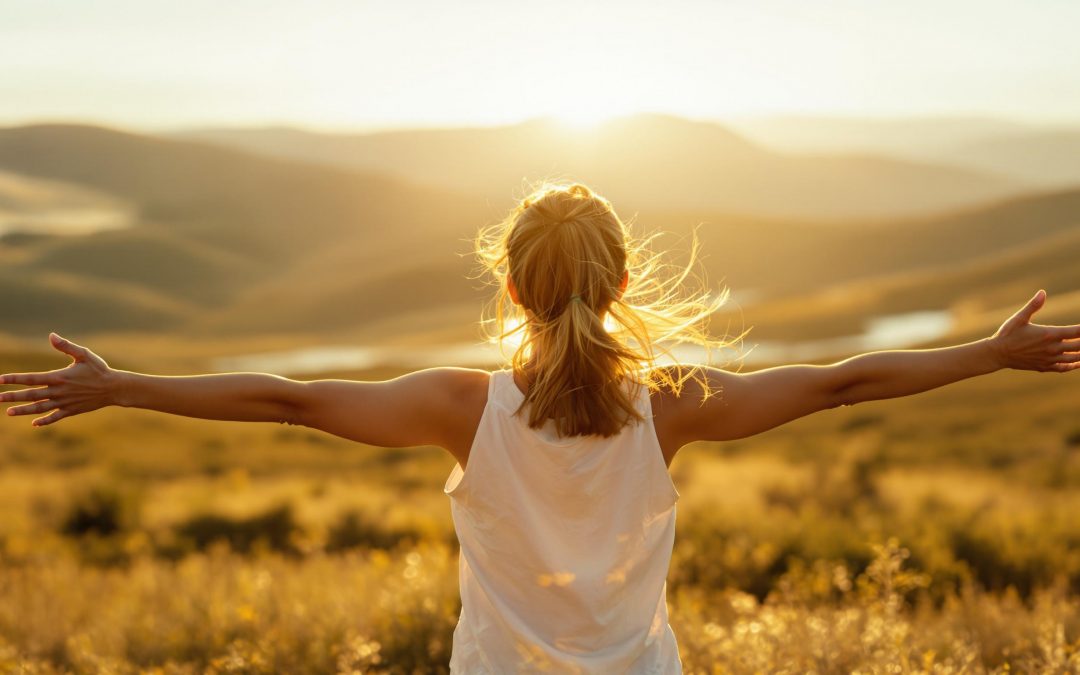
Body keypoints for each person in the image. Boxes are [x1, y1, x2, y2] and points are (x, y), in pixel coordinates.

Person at [1, 182, 1078, 674]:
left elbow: (286, 399)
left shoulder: (461, 407)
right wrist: (989, 353)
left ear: (509, 287)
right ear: (617, 285)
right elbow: (847, 383)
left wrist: (124, 386)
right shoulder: (673, 403)